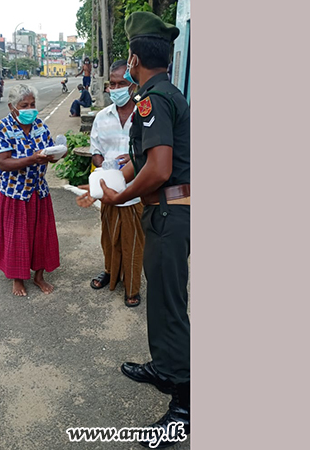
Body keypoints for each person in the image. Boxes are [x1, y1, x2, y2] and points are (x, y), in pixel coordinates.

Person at [98, 11, 190, 448]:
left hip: (170, 213)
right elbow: (142, 159)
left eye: (127, 62)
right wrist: (109, 181)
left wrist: (123, 194)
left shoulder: (153, 100)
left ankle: (184, 407)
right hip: (166, 214)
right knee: (162, 301)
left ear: (134, 58)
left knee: (170, 306)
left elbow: (160, 168)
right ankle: (164, 366)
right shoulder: (163, 92)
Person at [0, 84, 63, 297]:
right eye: (24, 105)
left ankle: (39, 276)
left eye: (33, 105)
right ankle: (17, 279)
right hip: (13, 192)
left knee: (41, 234)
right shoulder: (3, 128)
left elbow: (47, 151)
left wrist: (55, 155)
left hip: (38, 190)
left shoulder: (40, 126)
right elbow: (3, 163)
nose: (30, 109)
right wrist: (32, 159)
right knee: (17, 236)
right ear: (12, 107)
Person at [76, 60, 143, 308]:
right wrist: (104, 165)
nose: (115, 88)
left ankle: (132, 286)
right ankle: (109, 271)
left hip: (135, 192)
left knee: (133, 242)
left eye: (121, 83)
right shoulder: (103, 117)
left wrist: (131, 165)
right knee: (109, 238)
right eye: (112, 84)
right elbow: (95, 150)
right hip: (107, 189)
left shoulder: (144, 114)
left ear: (133, 85)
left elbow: (149, 155)